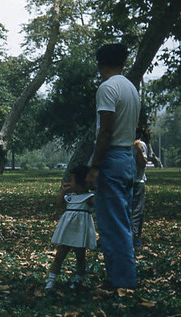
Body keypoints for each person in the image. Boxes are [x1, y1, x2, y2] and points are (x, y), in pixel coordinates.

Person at [86, 43, 140, 290]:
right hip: (127, 156)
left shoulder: (107, 88)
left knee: (112, 225)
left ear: (100, 64)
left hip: (112, 157)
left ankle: (121, 282)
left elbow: (105, 131)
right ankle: (122, 277)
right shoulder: (130, 87)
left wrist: (95, 165)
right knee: (123, 221)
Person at [45, 166, 95, 290]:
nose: (69, 183)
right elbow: (59, 205)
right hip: (67, 230)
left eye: (72, 180)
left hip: (80, 230)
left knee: (80, 256)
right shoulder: (70, 196)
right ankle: (51, 280)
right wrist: (63, 191)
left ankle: (78, 280)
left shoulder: (89, 198)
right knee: (60, 254)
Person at [132, 127, 148, 249]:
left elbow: (143, 163)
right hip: (125, 182)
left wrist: (138, 149)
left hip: (138, 181)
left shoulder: (141, 145)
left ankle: (136, 237)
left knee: (137, 211)